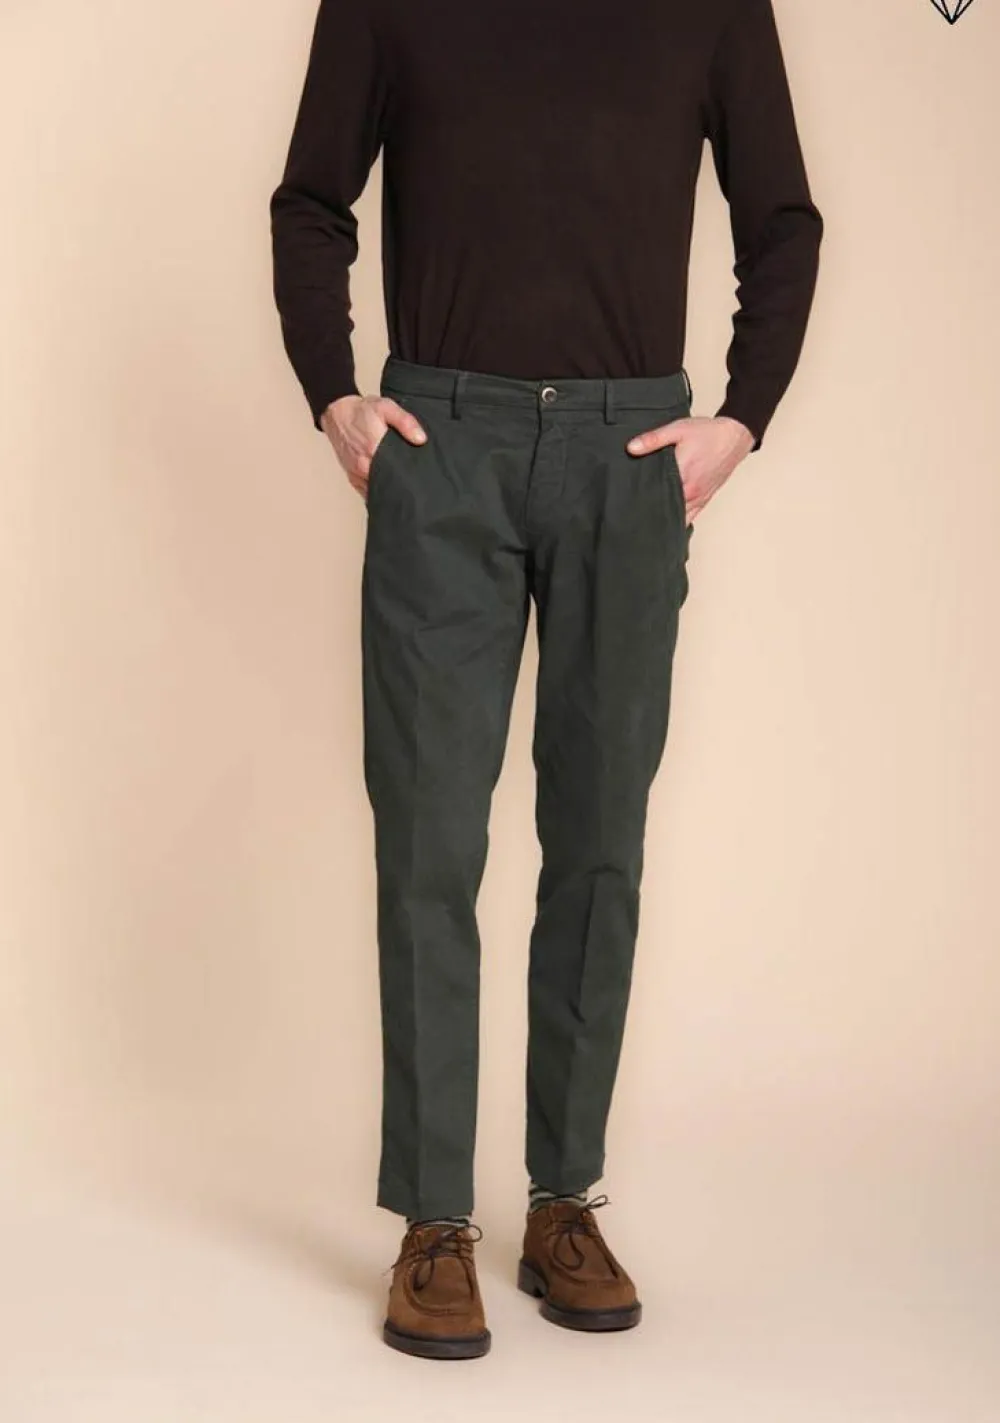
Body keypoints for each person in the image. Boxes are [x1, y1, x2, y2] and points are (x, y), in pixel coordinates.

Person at [270, 0, 823, 1360]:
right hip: (441, 444)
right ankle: (432, 1222)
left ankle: (564, 1201)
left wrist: (741, 419)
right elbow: (310, 203)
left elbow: (784, 220)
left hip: (629, 456)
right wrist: (333, 392)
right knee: (428, 841)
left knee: (599, 840)